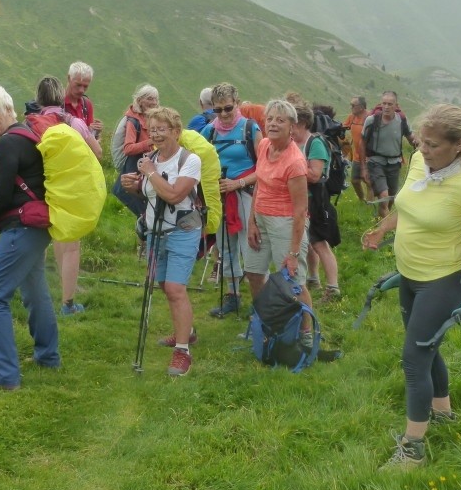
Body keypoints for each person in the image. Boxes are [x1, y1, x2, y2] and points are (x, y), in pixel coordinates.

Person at [361, 104, 461, 468]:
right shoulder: (420, 165)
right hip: (409, 273)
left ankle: (413, 448)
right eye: (422, 142)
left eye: (433, 145)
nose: (423, 150)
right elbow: (406, 205)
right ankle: (442, 412)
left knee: (414, 357)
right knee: (428, 346)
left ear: (459, 144)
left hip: (442, 280)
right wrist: (381, 229)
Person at [0, 83, 60, 390]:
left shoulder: (9, 143)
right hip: (37, 229)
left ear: (8, 109)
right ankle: (48, 357)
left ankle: (4, 376)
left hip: (20, 229)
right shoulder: (28, 135)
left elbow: (2, 194)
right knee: (35, 290)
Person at [119, 107, 202, 377]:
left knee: (176, 288)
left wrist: (150, 172)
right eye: (152, 130)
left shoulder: (189, 161)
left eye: (161, 129)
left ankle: (182, 352)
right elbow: (150, 193)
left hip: (182, 231)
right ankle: (186, 332)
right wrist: (132, 184)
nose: (155, 135)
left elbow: (175, 195)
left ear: (176, 132)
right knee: (166, 285)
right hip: (156, 232)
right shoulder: (151, 158)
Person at [242, 99, 315, 345]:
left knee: (293, 280)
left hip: (285, 223)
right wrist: (251, 221)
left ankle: (305, 332)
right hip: (260, 217)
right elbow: (260, 186)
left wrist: (294, 253)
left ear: (292, 127)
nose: (273, 123)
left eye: (280, 120)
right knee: (253, 272)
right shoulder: (263, 145)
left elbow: (300, 210)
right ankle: (267, 324)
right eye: (270, 118)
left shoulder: (295, 162)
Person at [35, 76, 103, 317]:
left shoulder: (32, 122)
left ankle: (39, 293)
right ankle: (68, 303)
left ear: (38, 98)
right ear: (61, 97)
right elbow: (97, 152)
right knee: (71, 246)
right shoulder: (73, 122)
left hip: (42, 189)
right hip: (70, 191)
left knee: (51, 239)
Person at [202, 82, 263, 318]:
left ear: (237, 104)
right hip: (220, 196)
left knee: (252, 245)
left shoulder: (250, 128)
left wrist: (238, 183)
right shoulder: (209, 131)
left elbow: (265, 168)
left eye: (228, 108)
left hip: (247, 194)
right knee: (225, 245)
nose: (224, 115)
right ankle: (232, 295)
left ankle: (260, 299)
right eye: (218, 110)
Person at [291, 104, 342, 303]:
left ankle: (333, 287)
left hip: (316, 201)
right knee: (308, 242)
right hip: (300, 199)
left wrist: (290, 169)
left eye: (292, 123)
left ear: (302, 123)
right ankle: (314, 279)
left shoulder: (315, 143)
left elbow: (315, 174)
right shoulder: (295, 142)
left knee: (320, 244)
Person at [363, 91, 419, 217]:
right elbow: (362, 143)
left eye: (390, 104)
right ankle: (386, 228)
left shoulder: (402, 120)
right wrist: (363, 167)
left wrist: (420, 144)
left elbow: (410, 137)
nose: (386, 107)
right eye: (384, 103)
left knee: (392, 197)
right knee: (384, 196)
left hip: (394, 163)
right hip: (375, 162)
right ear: (381, 104)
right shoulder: (372, 120)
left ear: (396, 105)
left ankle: (381, 218)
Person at [114, 84, 161, 221]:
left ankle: (147, 233)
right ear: (140, 100)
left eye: (155, 99)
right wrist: (150, 142)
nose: (153, 102)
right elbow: (128, 148)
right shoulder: (133, 121)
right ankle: (146, 233)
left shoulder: (152, 119)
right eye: (149, 99)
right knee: (143, 206)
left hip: (147, 165)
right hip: (137, 166)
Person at [64, 61, 103, 139]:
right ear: (69, 78)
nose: (82, 90)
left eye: (85, 86)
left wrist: (95, 132)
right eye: (78, 85)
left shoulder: (87, 104)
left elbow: (91, 138)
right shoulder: (56, 102)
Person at [342, 96, 370, 202]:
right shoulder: (352, 117)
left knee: (368, 182)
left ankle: (370, 205)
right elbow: (343, 127)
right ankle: (362, 200)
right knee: (354, 180)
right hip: (357, 156)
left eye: (353, 105)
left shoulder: (369, 117)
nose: (351, 107)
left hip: (369, 156)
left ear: (361, 107)